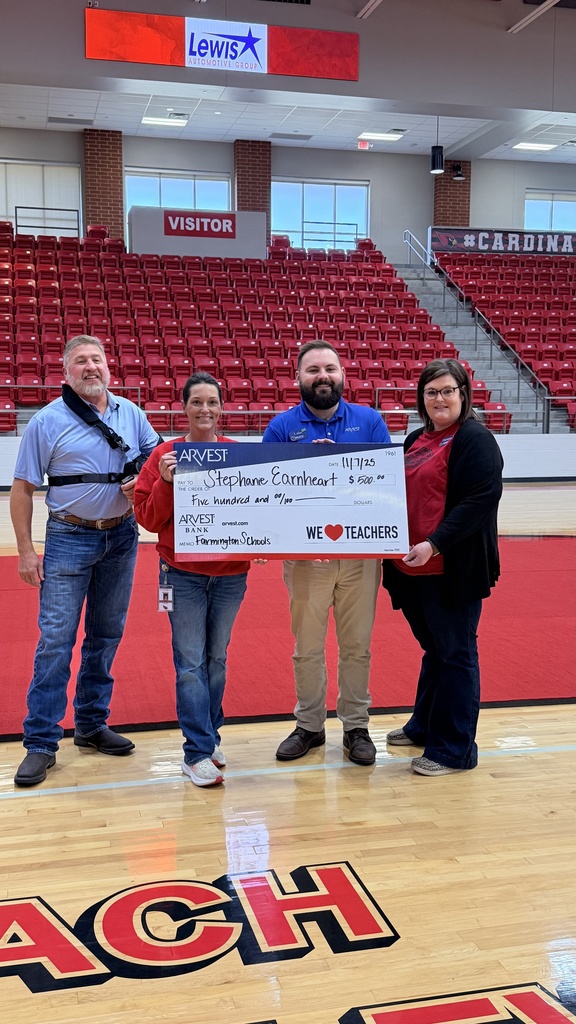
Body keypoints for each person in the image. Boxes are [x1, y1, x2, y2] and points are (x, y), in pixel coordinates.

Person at [11, 334, 161, 787]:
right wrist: (24, 549)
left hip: (121, 538)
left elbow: (155, 458)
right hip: (68, 536)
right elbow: (22, 489)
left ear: (108, 366)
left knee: (105, 634)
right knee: (56, 639)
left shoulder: (131, 413)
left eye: (97, 359)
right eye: (81, 361)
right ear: (66, 372)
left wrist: (143, 479)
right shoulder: (47, 421)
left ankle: (92, 725)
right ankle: (40, 741)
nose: (90, 367)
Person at [262, 340, 391, 766]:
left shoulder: (370, 422)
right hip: (305, 561)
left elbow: (385, 488)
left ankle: (356, 726)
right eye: (313, 369)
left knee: (357, 646)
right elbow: (267, 496)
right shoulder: (281, 428)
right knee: (308, 647)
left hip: (360, 558)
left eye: (330, 369)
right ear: (298, 378)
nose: (323, 376)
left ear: (342, 375)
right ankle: (310, 726)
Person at [382, 358, 503, 776]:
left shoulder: (475, 439)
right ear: (422, 398)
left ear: (463, 394)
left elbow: (479, 502)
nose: (440, 398)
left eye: (448, 390)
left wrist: (434, 544)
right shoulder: (416, 439)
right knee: (435, 650)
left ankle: (455, 750)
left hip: (451, 569)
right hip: (411, 570)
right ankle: (423, 726)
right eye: (432, 392)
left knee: (456, 655)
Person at [134, 372, 249, 788]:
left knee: (216, 661)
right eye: (196, 402)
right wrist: (165, 482)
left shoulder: (240, 455)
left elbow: (260, 513)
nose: (205, 410)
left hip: (231, 576)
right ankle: (196, 751)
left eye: (212, 402)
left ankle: (209, 733)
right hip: (180, 575)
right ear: (184, 407)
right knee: (189, 664)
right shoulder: (165, 455)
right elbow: (147, 519)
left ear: (223, 408)